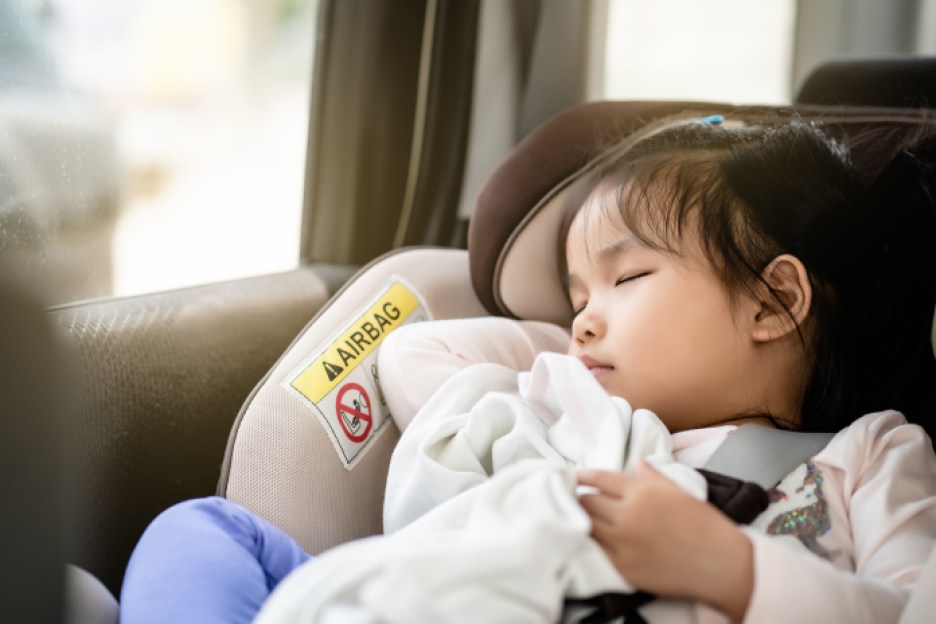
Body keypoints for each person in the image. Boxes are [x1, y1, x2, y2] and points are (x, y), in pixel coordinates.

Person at [120, 117, 936, 623]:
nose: (583, 316)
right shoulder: (564, 414)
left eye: (630, 277)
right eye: (575, 295)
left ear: (773, 302)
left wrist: (732, 570)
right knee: (202, 531)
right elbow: (415, 354)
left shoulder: (870, 455)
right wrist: (567, 349)